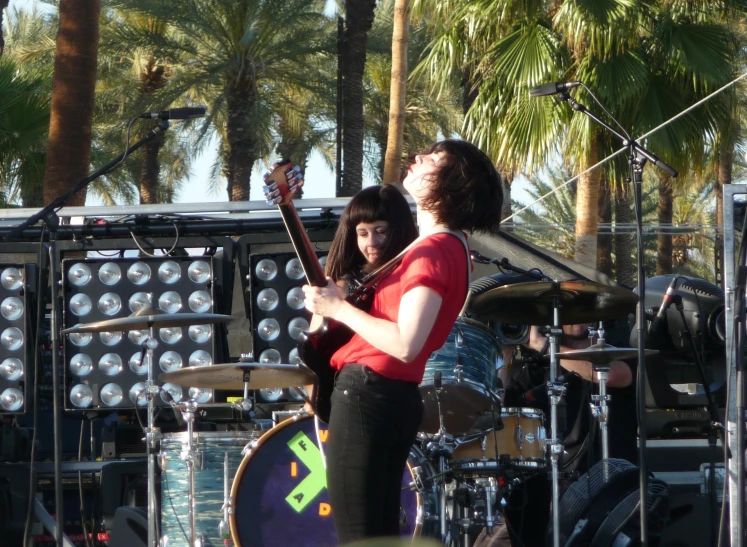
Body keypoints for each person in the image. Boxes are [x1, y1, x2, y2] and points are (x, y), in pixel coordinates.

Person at [303, 139, 503, 544]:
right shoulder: (445, 247)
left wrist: (338, 309)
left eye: (432, 159)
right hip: (389, 398)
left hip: (367, 396)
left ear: (453, 184)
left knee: (359, 536)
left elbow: (406, 343)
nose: (418, 158)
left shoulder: (431, 251)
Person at [501, 319, 637, 545]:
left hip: (609, 488)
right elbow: (497, 413)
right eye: (567, 311)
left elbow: (613, 375)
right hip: (546, 493)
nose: (576, 317)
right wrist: (503, 359)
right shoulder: (535, 371)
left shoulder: (618, 353)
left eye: (582, 308)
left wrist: (546, 346)